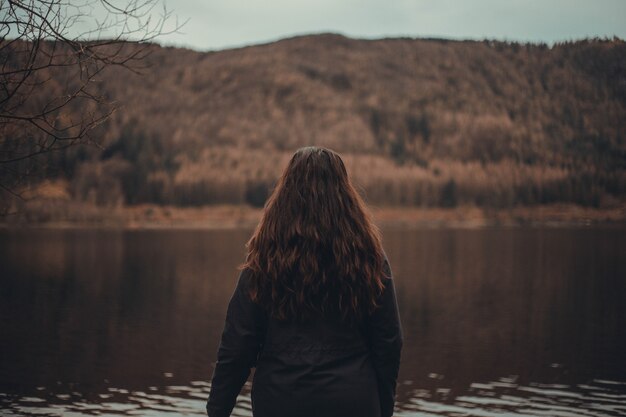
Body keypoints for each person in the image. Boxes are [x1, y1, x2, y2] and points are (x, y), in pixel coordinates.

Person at [206, 146, 403, 417]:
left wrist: (217, 410)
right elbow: (389, 341)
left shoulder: (265, 259)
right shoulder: (368, 258)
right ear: (344, 194)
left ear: (286, 195)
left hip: (281, 400)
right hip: (352, 400)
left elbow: (238, 344)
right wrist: (383, 407)